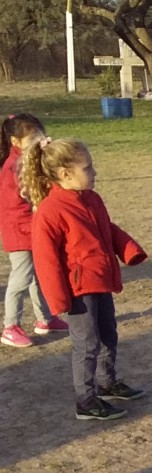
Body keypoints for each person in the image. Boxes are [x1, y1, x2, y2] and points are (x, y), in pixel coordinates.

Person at [25, 137, 147, 420]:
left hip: (100, 280)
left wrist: (129, 250)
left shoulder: (92, 199)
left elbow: (108, 228)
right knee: (87, 343)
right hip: (77, 291)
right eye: (88, 168)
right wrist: (58, 300)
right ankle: (86, 400)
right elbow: (46, 260)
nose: (95, 173)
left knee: (108, 334)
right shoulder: (50, 211)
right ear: (65, 174)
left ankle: (107, 383)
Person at [1, 113, 69, 348]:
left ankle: (45, 319)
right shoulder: (14, 167)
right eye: (31, 140)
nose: (37, 143)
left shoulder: (27, 161)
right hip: (20, 232)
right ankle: (10, 326)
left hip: (32, 228)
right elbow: (22, 201)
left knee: (39, 277)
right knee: (21, 278)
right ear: (15, 142)